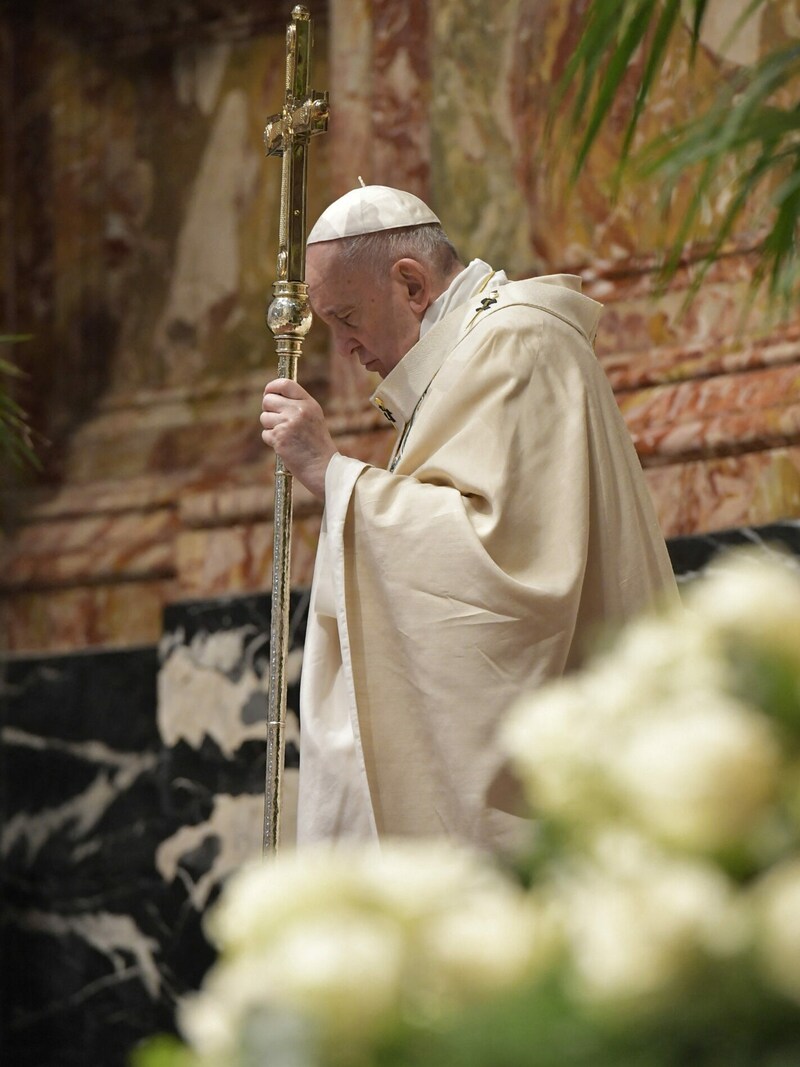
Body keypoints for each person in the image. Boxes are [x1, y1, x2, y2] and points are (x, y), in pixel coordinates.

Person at [260, 185, 678, 851]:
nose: (347, 349)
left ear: (410, 284)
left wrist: (332, 473)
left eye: (347, 319)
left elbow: (499, 563)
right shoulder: (478, 353)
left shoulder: (515, 346)